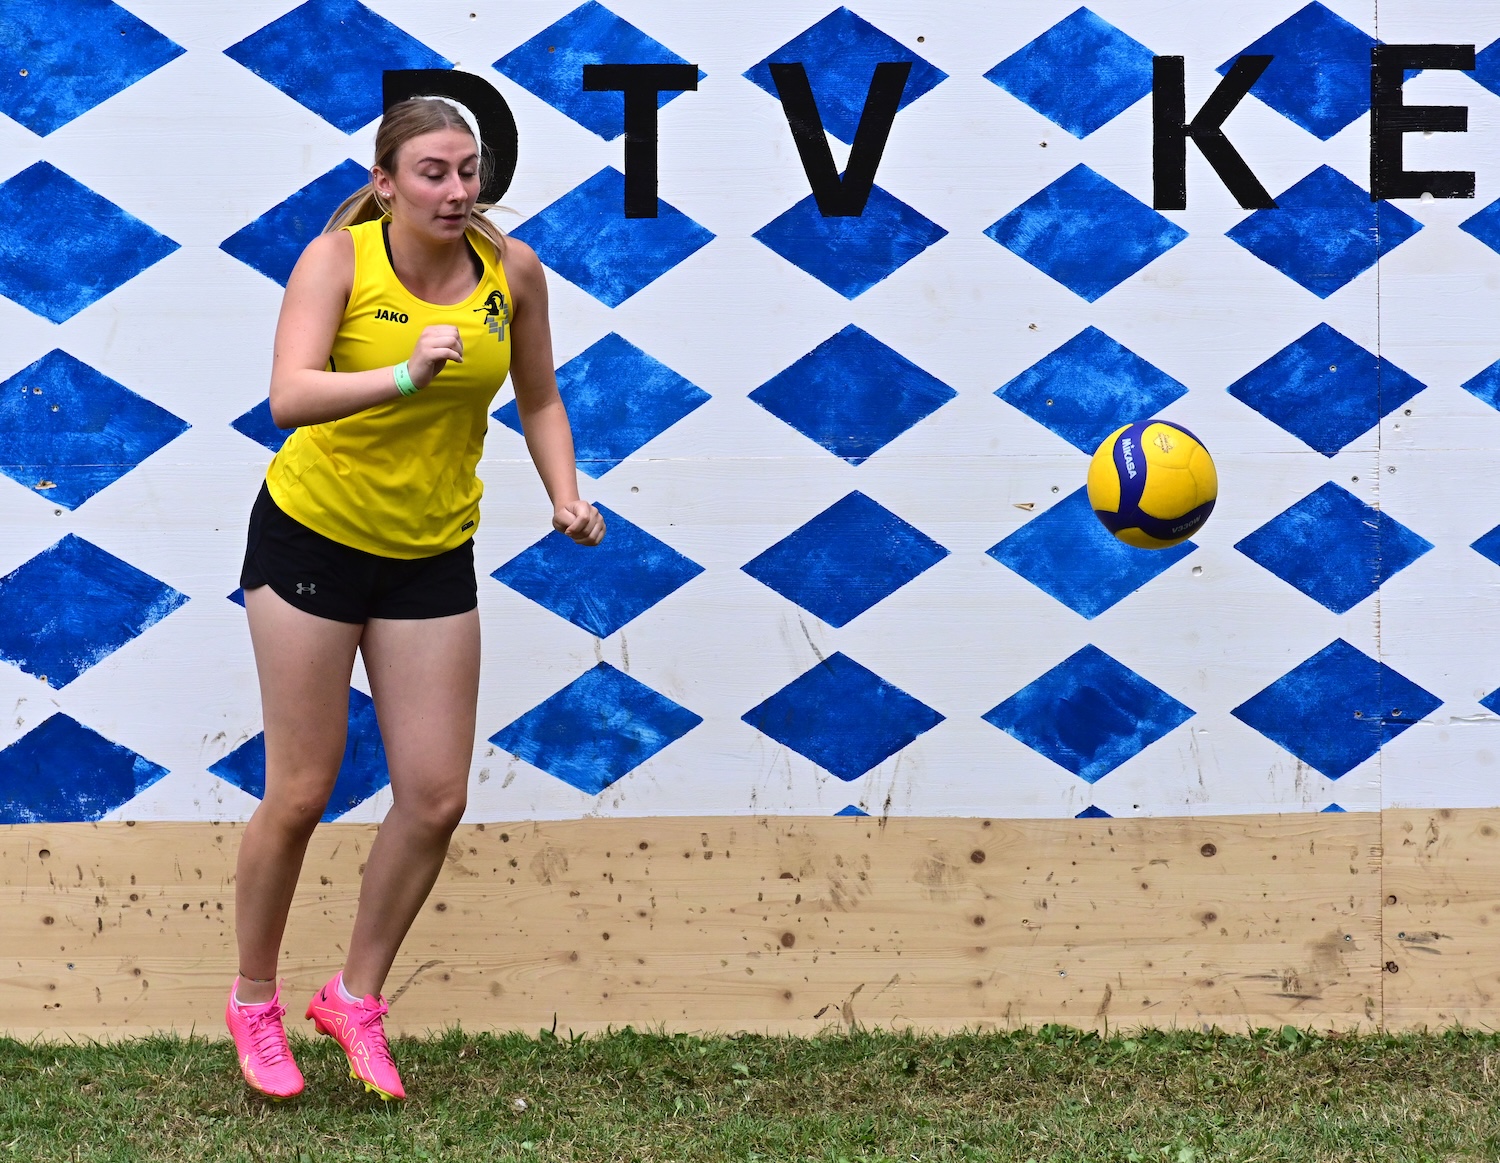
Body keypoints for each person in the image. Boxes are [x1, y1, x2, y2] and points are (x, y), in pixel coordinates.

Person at [225, 97, 604, 1101]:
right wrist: (402, 373)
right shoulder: (338, 261)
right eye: (434, 172)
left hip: (431, 549)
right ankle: (254, 1000)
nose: (457, 189)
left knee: (435, 795)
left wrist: (565, 493)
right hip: (312, 538)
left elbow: (539, 396)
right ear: (386, 183)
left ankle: (354, 998)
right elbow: (289, 396)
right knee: (300, 790)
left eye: (469, 170)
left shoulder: (512, 271)